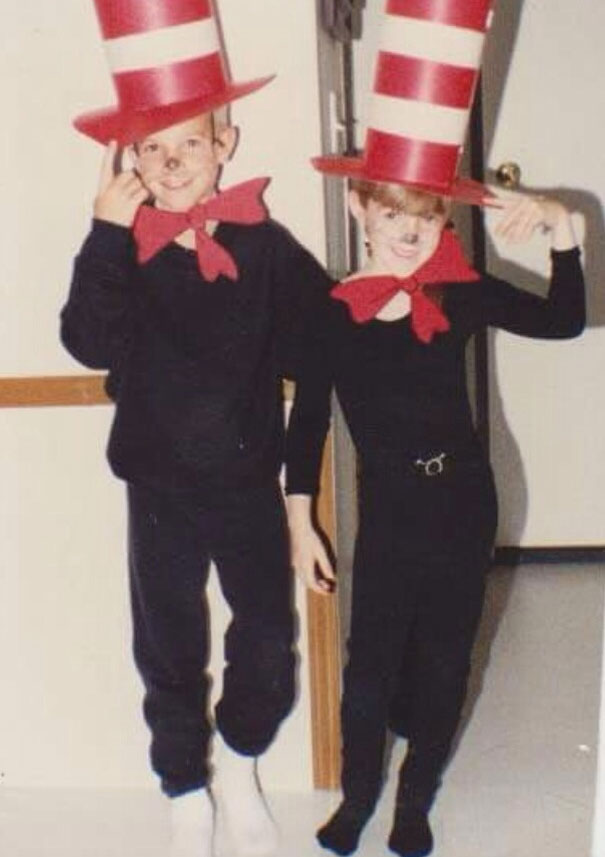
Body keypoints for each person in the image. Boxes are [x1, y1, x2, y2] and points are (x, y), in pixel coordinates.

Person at [61, 3, 333, 855]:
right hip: (158, 486)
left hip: (247, 482)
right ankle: (184, 787)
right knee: (167, 641)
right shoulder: (124, 246)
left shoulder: (267, 245)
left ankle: (243, 761)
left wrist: (298, 494)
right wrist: (106, 233)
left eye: (190, 142)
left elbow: (327, 345)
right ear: (130, 160)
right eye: (153, 148)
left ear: (227, 142)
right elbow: (85, 340)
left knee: (264, 633)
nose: (172, 162)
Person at [285, 179, 585, 857]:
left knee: (445, 662)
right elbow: (306, 425)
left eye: (424, 214)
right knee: (369, 668)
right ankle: (358, 797)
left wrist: (558, 222)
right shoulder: (329, 311)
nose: (408, 228)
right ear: (360, 209)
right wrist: (300, 523)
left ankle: (414, 798)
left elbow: (563, 320)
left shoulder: (460, 288)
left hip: (463, 503)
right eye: (390, 212)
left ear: (444, 214)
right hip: (389, 508)